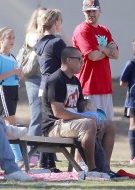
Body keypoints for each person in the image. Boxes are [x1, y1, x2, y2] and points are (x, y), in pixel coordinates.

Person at [41, 46, 116, 176]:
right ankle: (92, 170)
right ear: (69, 60)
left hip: (72, 123)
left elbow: (81, 104)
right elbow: (58, 113)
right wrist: (86, 118)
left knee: (109, 125)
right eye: (79, 60)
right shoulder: (56, 80)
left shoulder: (75, 80)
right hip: (55, 126)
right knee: (88, 124)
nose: (83, 63)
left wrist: (95, 114)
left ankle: (105, 169)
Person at [72, 0, 119, 121]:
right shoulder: (83, 30)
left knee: (108, 126)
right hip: (89, 86)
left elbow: (116, 55)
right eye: (88, 11)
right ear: (83, 12)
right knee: (93, 127)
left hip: (105, 86)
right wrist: (107, 49)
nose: (91, 14)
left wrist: (101, 49)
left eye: (94, 10)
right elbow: (92, 56)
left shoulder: (104, 30)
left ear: (100, 11)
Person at [34, 8, 66, 172]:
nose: (61, 24)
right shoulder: (57, 42)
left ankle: (45, 162)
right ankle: (48, 163)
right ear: (55, 22)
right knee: (52, 125)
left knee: (46, 125)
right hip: (54, 85)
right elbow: (68, 61)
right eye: (60, 21)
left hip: (43, 85)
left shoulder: (40, 41)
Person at [0, 27, 24, 164]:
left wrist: (20, 73)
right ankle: (19, 157)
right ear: (1, 40)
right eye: (9, 38)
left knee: (1, 126)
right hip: (3, 90)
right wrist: (12, 72)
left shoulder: (12, 56)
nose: (12, 41)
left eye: (13, 38)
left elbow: (16, 74)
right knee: (11, 124)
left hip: (13, 90)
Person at [24, 7, 46, 139]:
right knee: (37, 114)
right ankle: (32, 152)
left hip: (47, 80)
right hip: (34, 79)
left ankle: (47, 153)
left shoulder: (53, 35)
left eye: (46, 17)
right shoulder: (32, 35)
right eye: (41, 16)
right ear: (36, 19)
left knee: (48, 116)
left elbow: (69, 43)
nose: (43, 19)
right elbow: (37, 43)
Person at [120, 39, 135, 165]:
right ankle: (133, 157)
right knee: (133, 126)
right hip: (133, 100)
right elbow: (122, 82)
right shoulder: (131, 63)